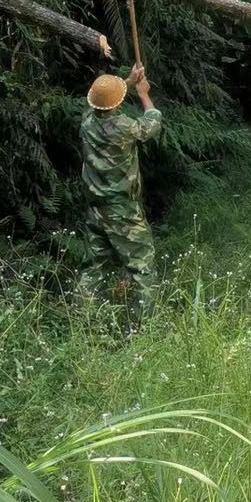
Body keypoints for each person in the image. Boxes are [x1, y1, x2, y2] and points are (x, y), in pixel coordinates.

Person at [79, 64, 162, 315]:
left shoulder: (86, 123)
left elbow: (101, 105)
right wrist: (144, 92)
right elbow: (152, 124)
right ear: (116, 103)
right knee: (142, 267)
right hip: (123, 209)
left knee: (92, 269)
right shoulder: (125, 126)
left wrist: (127, 82)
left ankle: (82, 322)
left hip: (95, 209)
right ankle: (147, 327)